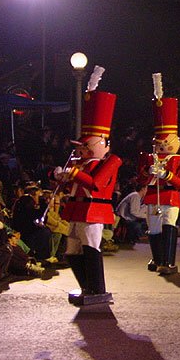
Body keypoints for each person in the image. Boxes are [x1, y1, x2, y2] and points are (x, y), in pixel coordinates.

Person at [55, 66, 122, 305]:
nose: (81, 150)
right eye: (80, 147)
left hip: (94, 210)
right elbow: (73, 187)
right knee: (71, 251)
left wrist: (74, 173)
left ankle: (97, 288)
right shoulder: (79, 164)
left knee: (91, 248)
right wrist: (61, 178)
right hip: (76, 210)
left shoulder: (110, 161)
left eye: (85, 146)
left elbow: (95, 183)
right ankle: (87, 286)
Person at [137, 73, 180, 274]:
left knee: (168, 225)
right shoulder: (149, 157)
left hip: (170, 196)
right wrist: (148, 171)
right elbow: (141, 179)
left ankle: (168, 261)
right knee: (153, 228)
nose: (162, 146)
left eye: (166, 142)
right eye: (159, 142)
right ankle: (157, 257)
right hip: (153, 196)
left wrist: (165, 175)